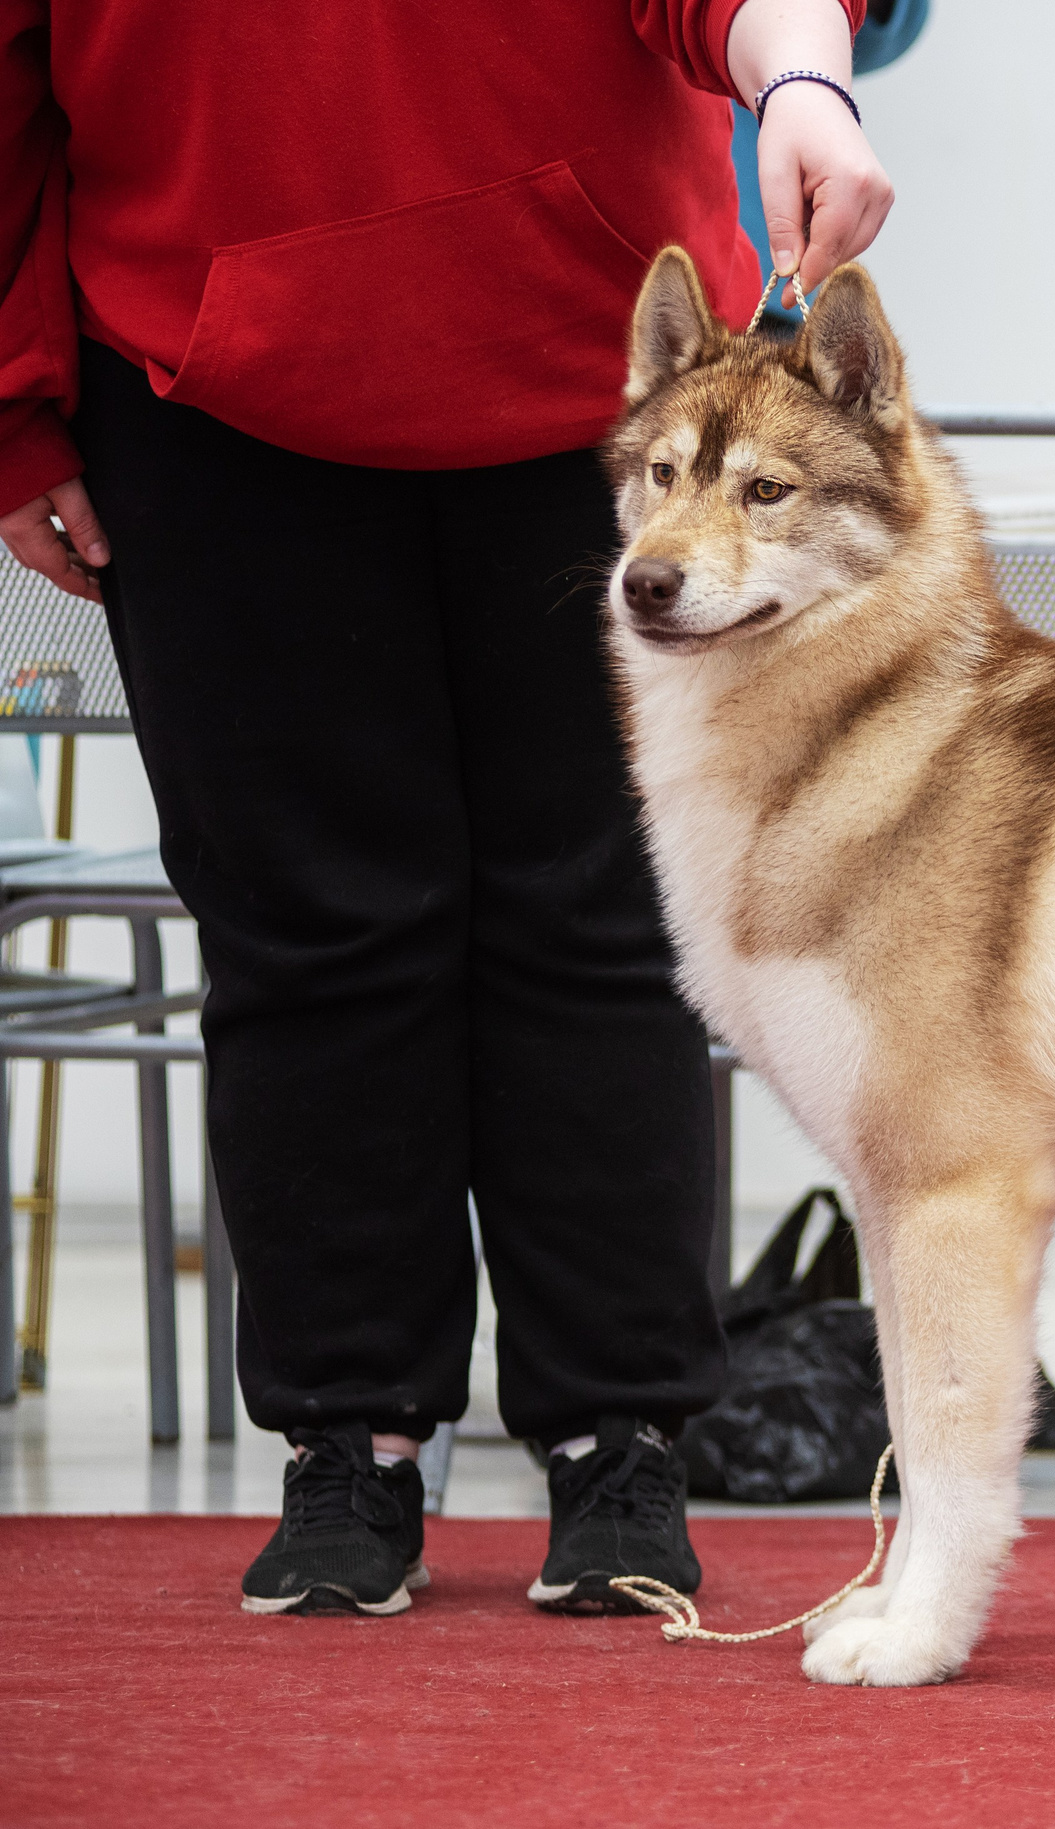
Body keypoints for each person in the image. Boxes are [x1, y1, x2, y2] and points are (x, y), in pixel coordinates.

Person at [0, 0, 892, 1614]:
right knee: (307, 930)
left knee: (602, 925)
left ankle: (619, 1441)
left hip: (600, 385)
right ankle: (350, 1440)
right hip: (206, 390)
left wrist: (802, 76)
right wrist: (13, 402)